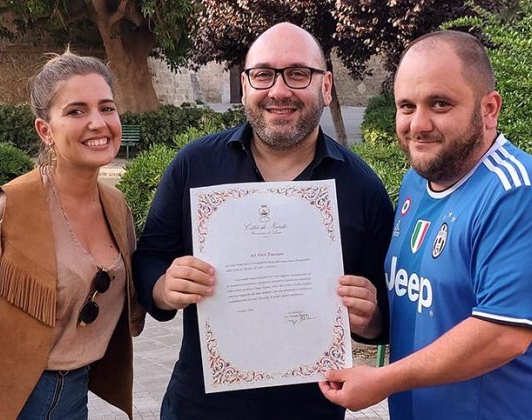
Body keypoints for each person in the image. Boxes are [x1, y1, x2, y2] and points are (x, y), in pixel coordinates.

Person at [132, 22, 394, 420]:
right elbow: (149, 257)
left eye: (298, 74)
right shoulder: (195, 165)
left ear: (326, 86)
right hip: (202, 407)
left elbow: (386, 309)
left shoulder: (362, 188)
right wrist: (165, 287)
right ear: (245, 86)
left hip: (310, 411)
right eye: (264, 75)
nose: (279, 90)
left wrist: (371, 318)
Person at [319, 30, 532, 419]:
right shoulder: (416, 182)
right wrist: (373, 319)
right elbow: (426, 305)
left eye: (440, 104)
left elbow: (502, 335)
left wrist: (383, 380)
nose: (418, 123)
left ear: (489, 109)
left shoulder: (521, 195)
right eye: (406, 106)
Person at [0, 52, 146, 419]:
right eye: (76, 111)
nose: (97, 123)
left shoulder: (117, 206)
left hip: (74, 400)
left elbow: (140, 296)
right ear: (45, 130)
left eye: (106, 108)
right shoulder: (6, 208)